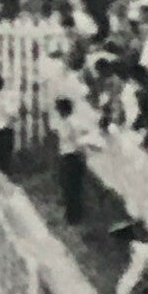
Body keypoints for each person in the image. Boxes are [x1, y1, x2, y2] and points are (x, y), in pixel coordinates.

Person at [52, 96, 101, 225]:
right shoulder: (63, 123)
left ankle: (74, 217)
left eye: (60, 110)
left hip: (73, 158)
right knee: (67, 186)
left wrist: (82, 155)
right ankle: (70, 215)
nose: (59, 113)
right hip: (66, 157)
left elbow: (80, 142)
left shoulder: (73, 123)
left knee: (73, 187)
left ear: (65, 110)